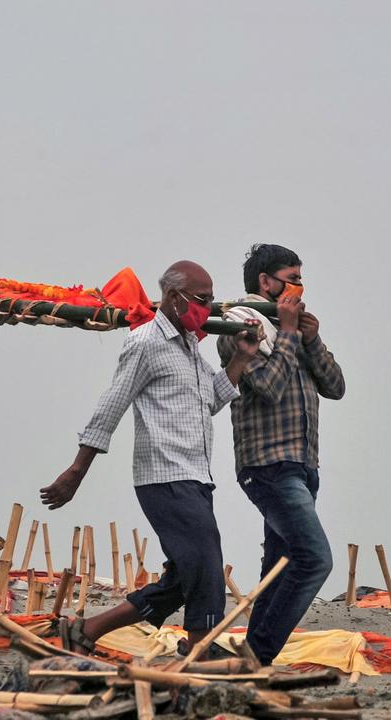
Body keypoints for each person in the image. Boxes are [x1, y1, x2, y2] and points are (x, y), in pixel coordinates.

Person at [40, 260, 260, 656]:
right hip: (164, 475)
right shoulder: (146, 343)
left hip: (195, 476)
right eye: (201, 300)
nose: (208, 309)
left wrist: (241, 359)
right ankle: (200, 647)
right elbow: (112, 405)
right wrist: (77, 470)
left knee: (183, 576)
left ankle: (87, 630)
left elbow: (209, 400)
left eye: (211, 300)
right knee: (207, 560)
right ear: (174, 298)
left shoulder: (189, 347)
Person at [216, 244, 346, 666]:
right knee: (314, 559)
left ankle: (251, 655)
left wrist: (310, 337)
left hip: (303, 466)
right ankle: (259, 655)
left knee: (280, 562)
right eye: (291, 278)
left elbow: (336, 386)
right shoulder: (239, 325)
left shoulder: (292, 331)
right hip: (268, 465)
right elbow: (269, 388)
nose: (299, 286)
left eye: (300, 278)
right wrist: (289, 333)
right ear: (266, 282)